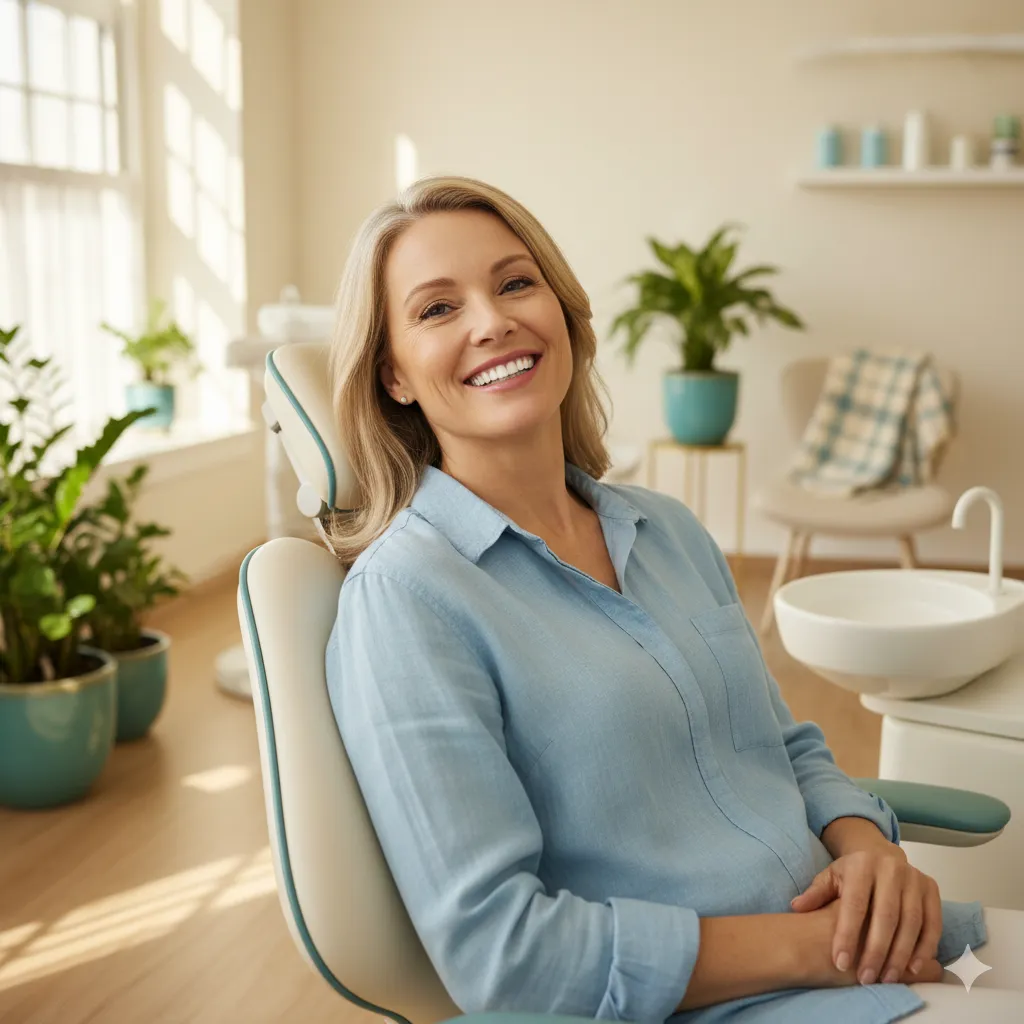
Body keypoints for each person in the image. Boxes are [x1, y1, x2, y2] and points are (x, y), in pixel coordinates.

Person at [324, 175, 1023, 1022]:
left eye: (515, 283)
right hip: (730, 995)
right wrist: (821, 950)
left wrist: (865, 842)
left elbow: (782, 746)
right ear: (393, 374)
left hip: (864, 933)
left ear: (563, 314)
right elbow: (503, 955)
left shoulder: (668, 529)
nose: (491, 321)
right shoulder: (407, 600)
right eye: (437, 309)